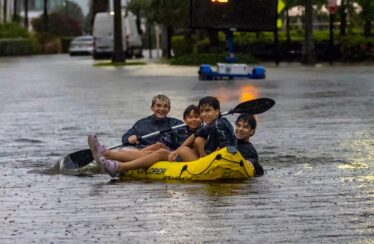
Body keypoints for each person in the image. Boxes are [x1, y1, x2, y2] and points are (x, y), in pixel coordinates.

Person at [95, 104, 202, 177]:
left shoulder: (203, 130)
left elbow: (188, 146)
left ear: (201, 118)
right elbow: (167, 142)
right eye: (190, 117)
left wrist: (172, 150)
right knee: (157, 147)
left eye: (196, 117)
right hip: (178, 155)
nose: (193, 120)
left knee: (161, 152)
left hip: (190, 160)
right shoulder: (181, 129)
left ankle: (119, 165)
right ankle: (109, 155)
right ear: (185, 120)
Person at [88, 94, 184, 164]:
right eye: (158, 106)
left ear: (169, 109)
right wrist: (129, 138)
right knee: (127, 148)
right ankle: (108, 156)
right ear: (152, 108)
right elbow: (125, 138)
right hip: (143, 152)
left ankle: (107, 155)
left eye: (165, 106)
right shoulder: (142, 123)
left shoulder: (176, 124)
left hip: (164, 154)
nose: (162, 109)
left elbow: (184, 142)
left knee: (158, 146)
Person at [168, 96, 237, 162]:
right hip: (214, 156)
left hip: (225, 157)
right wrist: (177, 150)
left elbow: (226, 145)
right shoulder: (210, 125)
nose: (204, 114)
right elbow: (195, 135)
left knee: (183, 151)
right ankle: (203, 160)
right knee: (198, 140)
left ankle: (201, 166)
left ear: (217, 111)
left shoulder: (218, 124)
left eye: (207, 110)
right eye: (201, 111)